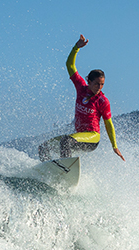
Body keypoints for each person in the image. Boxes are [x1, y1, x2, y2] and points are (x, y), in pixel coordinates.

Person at [39, 34, 125, 162]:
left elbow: (109, 124)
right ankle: (47, 170)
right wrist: (76, 48)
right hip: (78, 136)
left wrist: (115, 146)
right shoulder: (81, 87)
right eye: (96, 84)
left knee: (66, 141)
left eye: (102, 84)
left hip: (92, 137)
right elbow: (70, 66)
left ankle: (66, 170)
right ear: (88, 81)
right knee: (44, 147)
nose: (99, 87)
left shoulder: (102, 101)